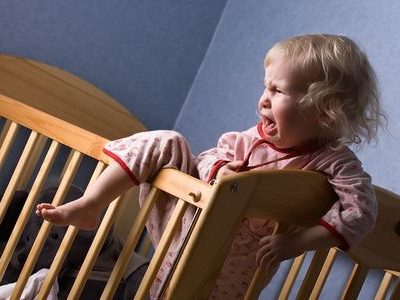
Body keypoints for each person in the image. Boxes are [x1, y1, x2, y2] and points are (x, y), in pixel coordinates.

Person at [36, 34, 386, 299]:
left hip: (233, 268)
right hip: (184, 227)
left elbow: (362, 210)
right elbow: (211, 154)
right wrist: (220, 172)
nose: (263, 99)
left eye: (278, 91)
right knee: (166, 141)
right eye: (265, 87)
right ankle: (91, 204)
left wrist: (301, 242)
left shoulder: (333, 162)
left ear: (323, 111)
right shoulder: (253, 138)